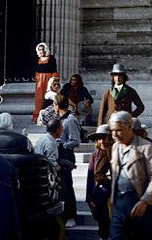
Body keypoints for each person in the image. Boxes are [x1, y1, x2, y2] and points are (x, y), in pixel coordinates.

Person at [108, 111, 152, 240]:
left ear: (129, 127)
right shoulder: (115, 147)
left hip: (139, 202)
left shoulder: (146, 147)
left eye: (119, 130)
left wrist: (145, 200)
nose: (115, 135)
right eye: (112, 131)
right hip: (119, 203)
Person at [55, 95, 80, 228]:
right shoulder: (60, 119)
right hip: (59, 156)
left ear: (56, 106)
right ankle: (64, 215)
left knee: (67, 187)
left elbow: (76, 141)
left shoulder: (70, 120)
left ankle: (71, 216)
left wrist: (62, 144)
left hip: (66, 156)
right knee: (61, 188)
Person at [86, 124, 113, 240]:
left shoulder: (113, 151)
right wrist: (89, 197)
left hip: (110, 195)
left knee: (109, 225)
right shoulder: (95, 154)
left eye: (104, 138)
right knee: (102, 225)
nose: (102, 141)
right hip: (99, 195)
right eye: (99, 138)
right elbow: (91, 176)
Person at [33, 42, 59, 123]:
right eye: (40, 50)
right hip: (40, 81)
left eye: (43, 49)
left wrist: (53, 81)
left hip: (49, 79)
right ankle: (37, 116)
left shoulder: (51, 58)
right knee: (39, 98)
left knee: (49, 97)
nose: (42, 51)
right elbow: (36, 71)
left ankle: (50, 115)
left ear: (46, 50)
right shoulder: (38, 59)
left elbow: (54, 70)